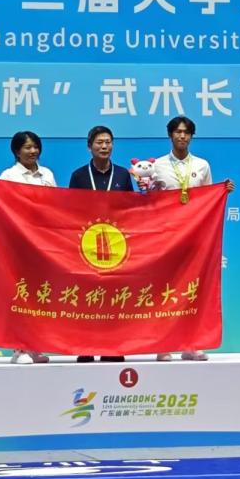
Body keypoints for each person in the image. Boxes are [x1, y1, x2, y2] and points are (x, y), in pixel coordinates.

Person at [151, 116, 235, 362]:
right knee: (166, 290)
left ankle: (191, 344)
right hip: (166, 236)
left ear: (191, 136)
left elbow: (208, 198)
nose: (182, 136)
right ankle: (164, 345)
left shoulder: (202, 165)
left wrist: (222, 191)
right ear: (170, 135)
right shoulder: (157, 166)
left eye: (186, 132)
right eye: (178, 132)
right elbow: (150, 200)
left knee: (193, 289)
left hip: (195, 235)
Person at [0, 130, 54, 364]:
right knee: (20, 295)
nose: (33, 151)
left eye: (35, 146)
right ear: (17, 151)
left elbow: (55, 206)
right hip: (17, 244)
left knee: (38, 295)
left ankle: (35, 345)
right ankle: (19, 348)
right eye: (27, 147)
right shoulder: (9, 175)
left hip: (43, 244)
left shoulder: (47, 174)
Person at [68, 126, 134, 362]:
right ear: (89, 147)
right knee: (88, 298)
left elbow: (132, 210)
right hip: (86, 246)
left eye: (108, 142)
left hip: (116, 248)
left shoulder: (123, 175)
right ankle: (85, 347)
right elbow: (70, 211)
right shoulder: (79, 176)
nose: (104, 146)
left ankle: (112, 348)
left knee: (114, 298)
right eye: (99, 142)